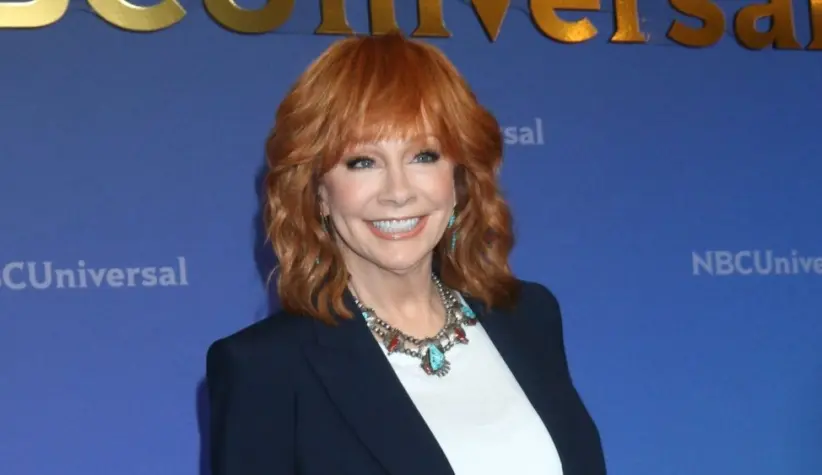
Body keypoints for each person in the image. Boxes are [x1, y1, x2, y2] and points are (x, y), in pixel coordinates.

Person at [206, 31, 606, 475]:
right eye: (363, 162)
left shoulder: (530, 316)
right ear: (318, 191)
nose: (398, 192)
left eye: (424, 156)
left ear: (458, 177)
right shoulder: (265, 369)